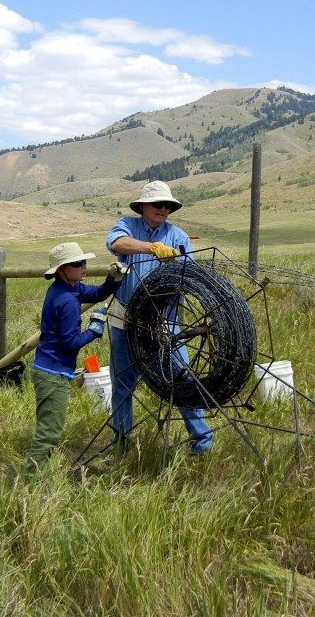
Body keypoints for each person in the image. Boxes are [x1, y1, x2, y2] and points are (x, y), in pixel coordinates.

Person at [105, 180, 214, 455]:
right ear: (143, 206)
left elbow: (190, 276)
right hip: (125, 319)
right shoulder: (127, 225)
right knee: (123, 383)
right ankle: (120, 445)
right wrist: (151, 247)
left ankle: (203, 443)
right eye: (157, 204)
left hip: (164, 321)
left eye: (168, 205)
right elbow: (116, 243)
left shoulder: (178, 236)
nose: (163, 209)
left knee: (181, 378)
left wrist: (178, 269)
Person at [26, 242, 124, 472]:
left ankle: (39, 469)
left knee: (47, 425)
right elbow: (70, 343)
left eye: (84, 262)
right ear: (61, 269)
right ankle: (31, 478)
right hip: (53, 374)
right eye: (77, 263)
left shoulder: (67, 287)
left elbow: (97, 293)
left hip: (47, 368)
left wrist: (112, 279)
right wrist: (94, 330)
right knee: (49, 431)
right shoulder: (68, 301)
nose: (83, 266)